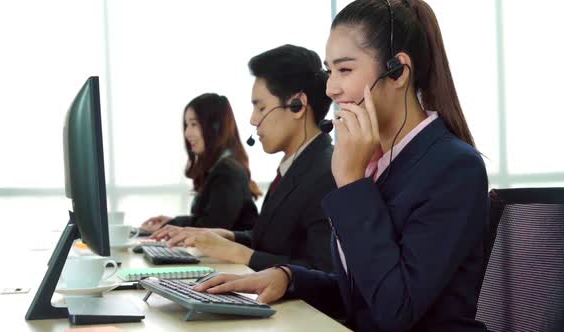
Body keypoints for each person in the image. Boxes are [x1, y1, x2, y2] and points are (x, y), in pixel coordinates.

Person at [193, 1, 490, 331]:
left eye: (345, 70)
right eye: (329, 70)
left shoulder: (452, 168)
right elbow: (363, 291)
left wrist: (350, 182)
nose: (330, 88)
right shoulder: (377, 162)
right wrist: (289, 277)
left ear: (399, 72)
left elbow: (396, 309)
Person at [152, 44, 336, 272]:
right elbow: (268, 241)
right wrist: (226, 236)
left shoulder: (328, 172)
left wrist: (238, 253)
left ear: (297, 106)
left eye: (260, 108)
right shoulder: (295, 164)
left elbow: (325, 272)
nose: (252, 120)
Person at [140, 93, 261, 233]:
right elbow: (207, 220)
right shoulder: (220, 167)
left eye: (194, 124)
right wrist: (171, 223)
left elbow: (210, 229)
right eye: (186, 125)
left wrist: (172, 225)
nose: (187, 132)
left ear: (215, 128)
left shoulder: (228, 171)